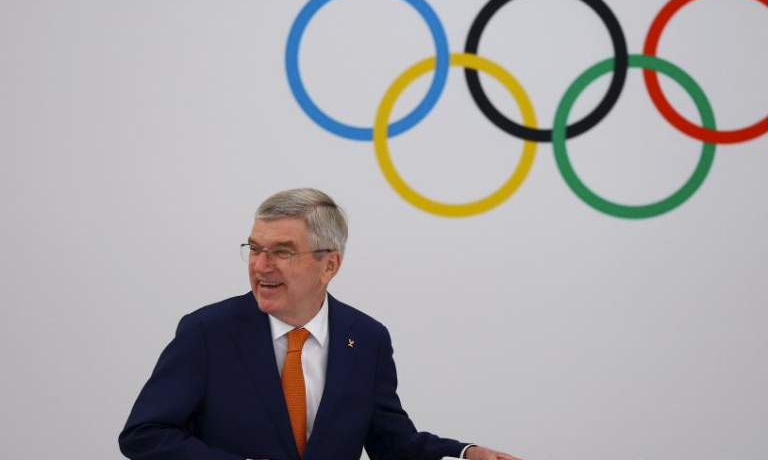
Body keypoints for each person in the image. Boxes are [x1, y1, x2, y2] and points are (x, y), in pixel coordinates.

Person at [119, 188, 521, 460]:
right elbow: (145, 434)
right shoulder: (207, 332)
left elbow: (391, 442)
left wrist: (464, 453)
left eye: (282, 252)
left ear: (329, 265)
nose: (260, 266)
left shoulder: (367, 339)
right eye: (255, 249)